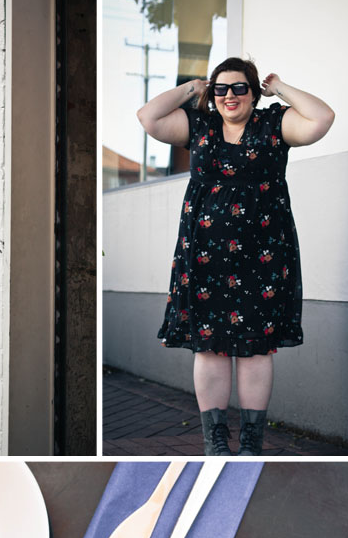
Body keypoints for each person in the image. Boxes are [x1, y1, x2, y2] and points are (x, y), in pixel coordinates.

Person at [137, 57, 335, 455]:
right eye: (222, 88)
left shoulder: (273, 125)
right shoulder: (200, 126)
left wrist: (278, 86)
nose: (230, 96)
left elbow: (321, 118)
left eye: (240, 88)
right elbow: (149, 117)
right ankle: (216, 443)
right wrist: (193, 89)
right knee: (208, 348)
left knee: (255, 349)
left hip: (263, 257)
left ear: (253, 91)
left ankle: (250, 443)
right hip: (205, 258)